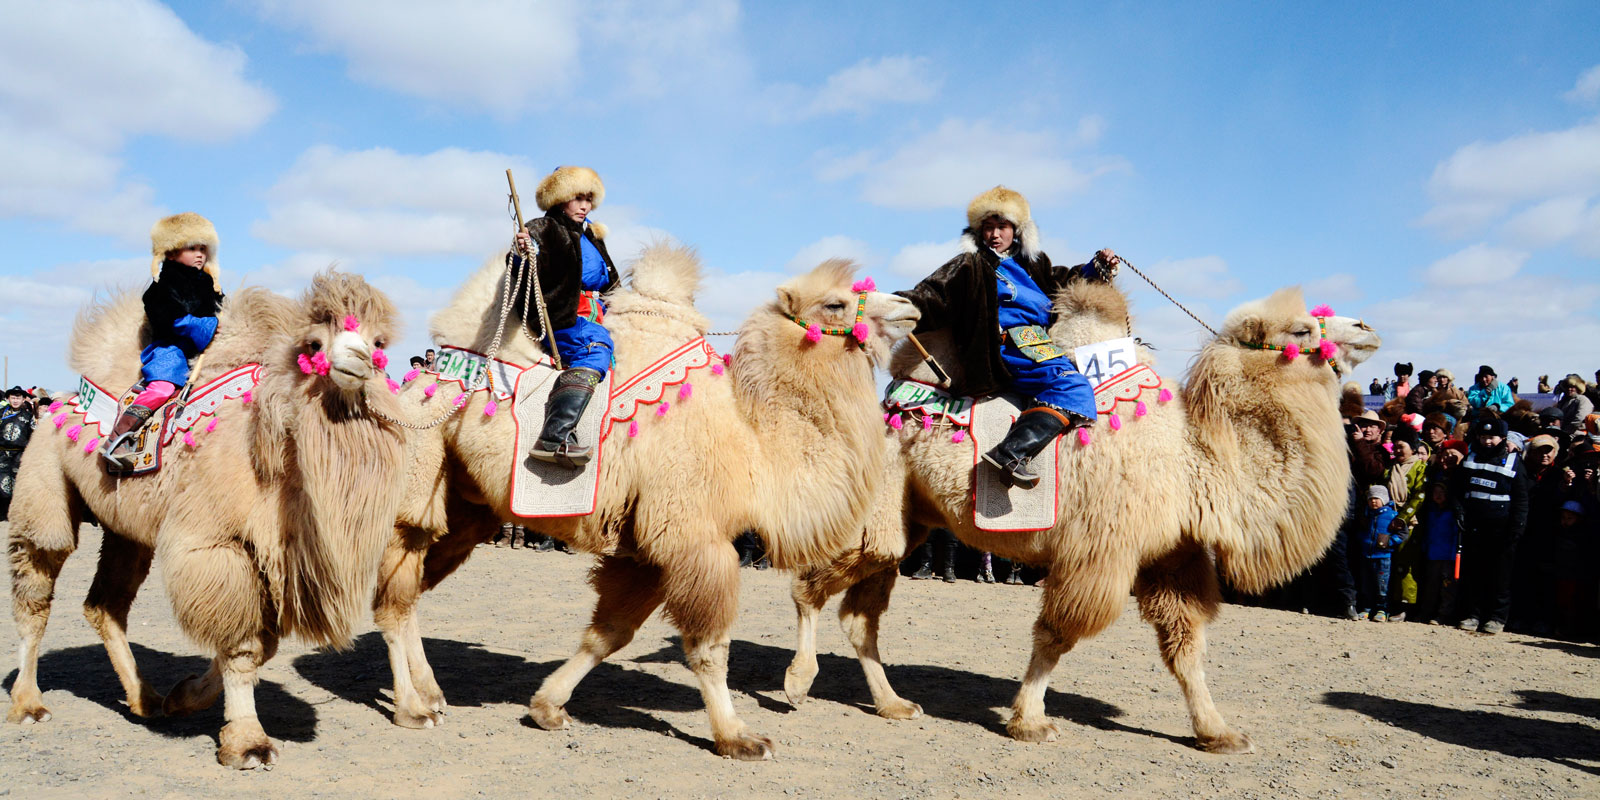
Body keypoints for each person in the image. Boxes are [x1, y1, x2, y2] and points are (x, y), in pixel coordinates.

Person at [895, 185, 1114, 488]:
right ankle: (1010, 453)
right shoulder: (970, 265)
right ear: (978, 233)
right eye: (988, 228)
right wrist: (886, 306)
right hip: (1008, 348)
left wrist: (1097, 267)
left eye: (1002, 226)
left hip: (1041, 345)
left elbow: (1064, 281)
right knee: (1072, 385)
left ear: (1017, 231)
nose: (995, 234)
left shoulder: (1033, 265)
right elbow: (931, 294)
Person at [510, 166, 620, 468]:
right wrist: (524, 250)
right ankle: (554, 437)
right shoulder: (544, 229)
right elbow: (528, 254)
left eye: (589, 199)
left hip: (604, 318)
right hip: (564, 318)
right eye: (577, 198)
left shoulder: (592, 234)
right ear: (560, 199)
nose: (585, 205)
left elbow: (612, 284)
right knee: (595, 351)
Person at [100, 213, 225, 468]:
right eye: (192, 248)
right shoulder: (160, 288)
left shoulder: (210, 286)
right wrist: (211, 325)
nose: (200, 254)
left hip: (206, 350)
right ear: (170, 252)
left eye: (203, 248)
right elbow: (175, 322)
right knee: (163, 388)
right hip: (171, 350)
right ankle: (118, 438)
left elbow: (224, 311)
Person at [1450, 417, 1529, 634]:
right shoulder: (1470, 458)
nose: (1487, 442)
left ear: (1502, 438)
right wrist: (1459, 510)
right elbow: (1457, 489)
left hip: (1502, 530)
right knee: (1474, 574)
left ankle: (1496, 617)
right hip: (1475, 528)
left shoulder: (1513, 462)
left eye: (1492, 438)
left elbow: (1521, 499)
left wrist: (1517, 527)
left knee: (1500, 576)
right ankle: (1473, 614)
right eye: (1483, 437)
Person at [1412, 482, 1458, 625]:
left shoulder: (1453, 513)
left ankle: (1443, 615)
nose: (1438, 496)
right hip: (1432, 555)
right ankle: (1425, 613)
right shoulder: (1431, 512)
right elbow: (1428, 533)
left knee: (1447, 589)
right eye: (1435, 492)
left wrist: (1453, 556)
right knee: (1430, 587)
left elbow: (1455, 536)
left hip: (1447, 557)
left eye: (1441, 493)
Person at [1358, 485, 1402, 621]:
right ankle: (1367, 608)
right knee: (1367, 583)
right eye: (1371, 499)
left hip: (1383, 556)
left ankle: (1382, 610)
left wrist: (1390, 542)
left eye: (1376, 498)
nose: (1373, 501)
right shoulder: (1366, 515)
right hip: (1367, 555)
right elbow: (1361, 531)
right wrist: (1363, 540)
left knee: (1382, 584)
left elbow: (1402, 533)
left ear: (1383, 499)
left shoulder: (1392, 515)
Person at [1, 386, 36, 520]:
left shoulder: (28, 416)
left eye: (18, 397)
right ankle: (2, 513)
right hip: (2, 454)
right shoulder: (1, 414)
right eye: (13, 397)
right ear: (8, 398)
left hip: (20, 455)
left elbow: (34, 435)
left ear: (23, 400)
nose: (15, 400)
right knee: (2, 482)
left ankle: (16, 514)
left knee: (18, 484)